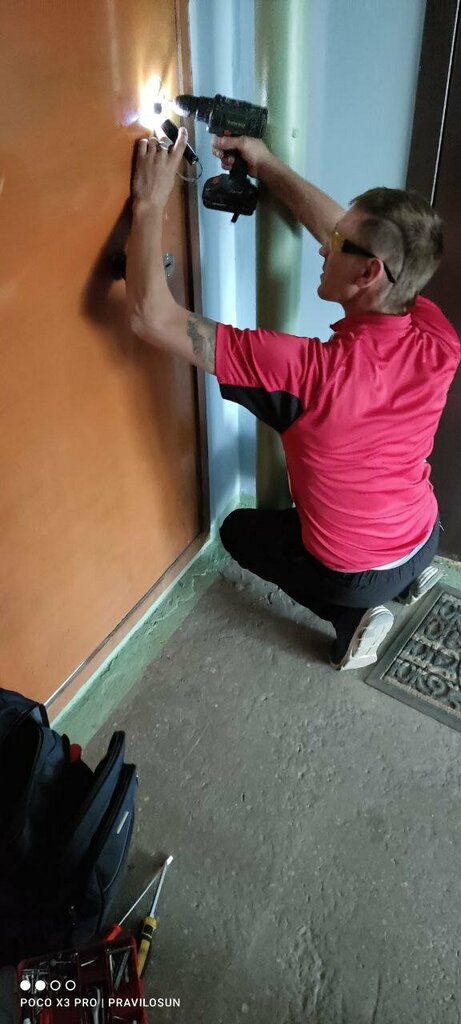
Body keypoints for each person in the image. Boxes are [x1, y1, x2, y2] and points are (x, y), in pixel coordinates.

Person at [125, 128, 460, 670]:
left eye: (338, 243)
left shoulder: (306, 373)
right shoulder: (436, 334)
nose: (325, 245)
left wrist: (149, 203)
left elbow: (150, 317)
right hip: (422, 533)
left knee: (239, 532)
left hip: (354, 573)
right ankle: (410, 575)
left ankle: (349, 619)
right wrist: (265, 164)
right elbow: (355, 242)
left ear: (369, 272)